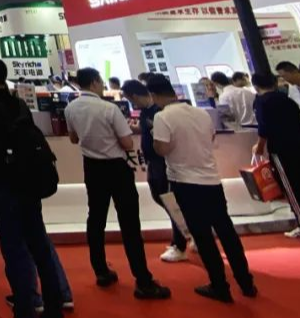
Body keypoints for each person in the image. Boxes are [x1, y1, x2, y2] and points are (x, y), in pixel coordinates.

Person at [64, 67, 169, 299]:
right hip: (116, 168)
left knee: (96, 219)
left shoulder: (71, 108)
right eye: (100, 81)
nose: (102, 85)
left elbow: (73, 138)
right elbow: (127, 144)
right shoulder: (109, 108)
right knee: (129, 223)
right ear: (94, 82)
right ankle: (143, 280)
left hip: (92, 168)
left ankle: (101, 271)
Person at [150, 75, 256, 302]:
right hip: (212, 180)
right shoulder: (201, 113)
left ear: (154, 95)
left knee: (203, 236)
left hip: (185, 183)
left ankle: (220, 286)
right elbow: (210, 137)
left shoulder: (162, 117)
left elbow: (162, 149)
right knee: (226, 232)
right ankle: (246, 282)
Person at [0, 58, 69, 318]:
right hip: (29, 180)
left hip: (4, 183)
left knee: (14, 248)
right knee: (39, 244)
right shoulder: (19, 103)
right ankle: (54, 305)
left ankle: (25, 306)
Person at [120, 80, 188, 262]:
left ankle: (180, 243)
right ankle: (184, 235)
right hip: (154, 162)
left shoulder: (160, 112)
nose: (132, 104)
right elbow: (146, 130)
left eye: (131, 100)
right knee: (162, 198)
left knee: (170, 201)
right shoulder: (146, 112)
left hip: (163, 162)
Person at [252, 72, 300, 239]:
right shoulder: (286, 99)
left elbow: (263, 128)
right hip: (296, 144)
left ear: (255, 86)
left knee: (291, 186)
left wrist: (259, 147)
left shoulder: (261, 102)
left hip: (281, 149)